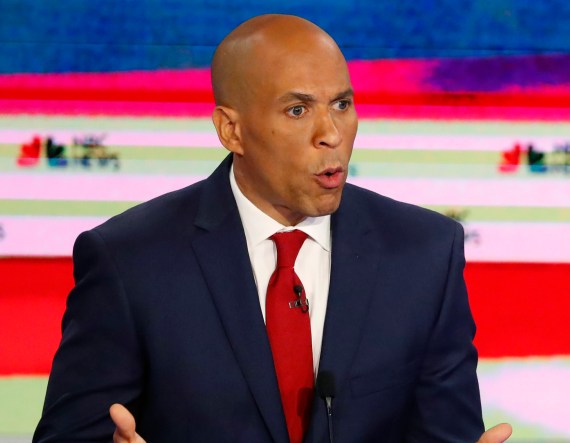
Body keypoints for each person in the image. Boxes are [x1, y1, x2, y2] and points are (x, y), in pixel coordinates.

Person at [33, 14, 513, 443]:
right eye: (298, 110)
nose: (331, 133)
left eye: (341, 104)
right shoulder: (131, 261)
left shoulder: (423, 253)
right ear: (231, 130)